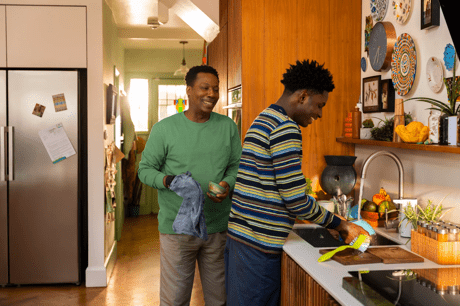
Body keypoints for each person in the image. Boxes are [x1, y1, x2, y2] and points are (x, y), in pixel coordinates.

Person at [225, 59, 370, 306]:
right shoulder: (286, 128)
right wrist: (341, 224)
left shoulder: (265, 117)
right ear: (303, 96)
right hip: (259, 247)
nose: (319, 114)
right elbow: (295, 201)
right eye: (319, 105)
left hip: (241, 239)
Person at [138, 65, 242, 306]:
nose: (212, 94)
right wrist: (168, 180)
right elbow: (145, 170)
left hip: (217, 227)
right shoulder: (164, 129)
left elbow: (237, 166)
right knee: (175, 300)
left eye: (215, 89)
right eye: (204, 88)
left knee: (220, 299)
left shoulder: (227, 127)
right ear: (189, 90)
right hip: (178, 230)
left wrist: (227, 183)